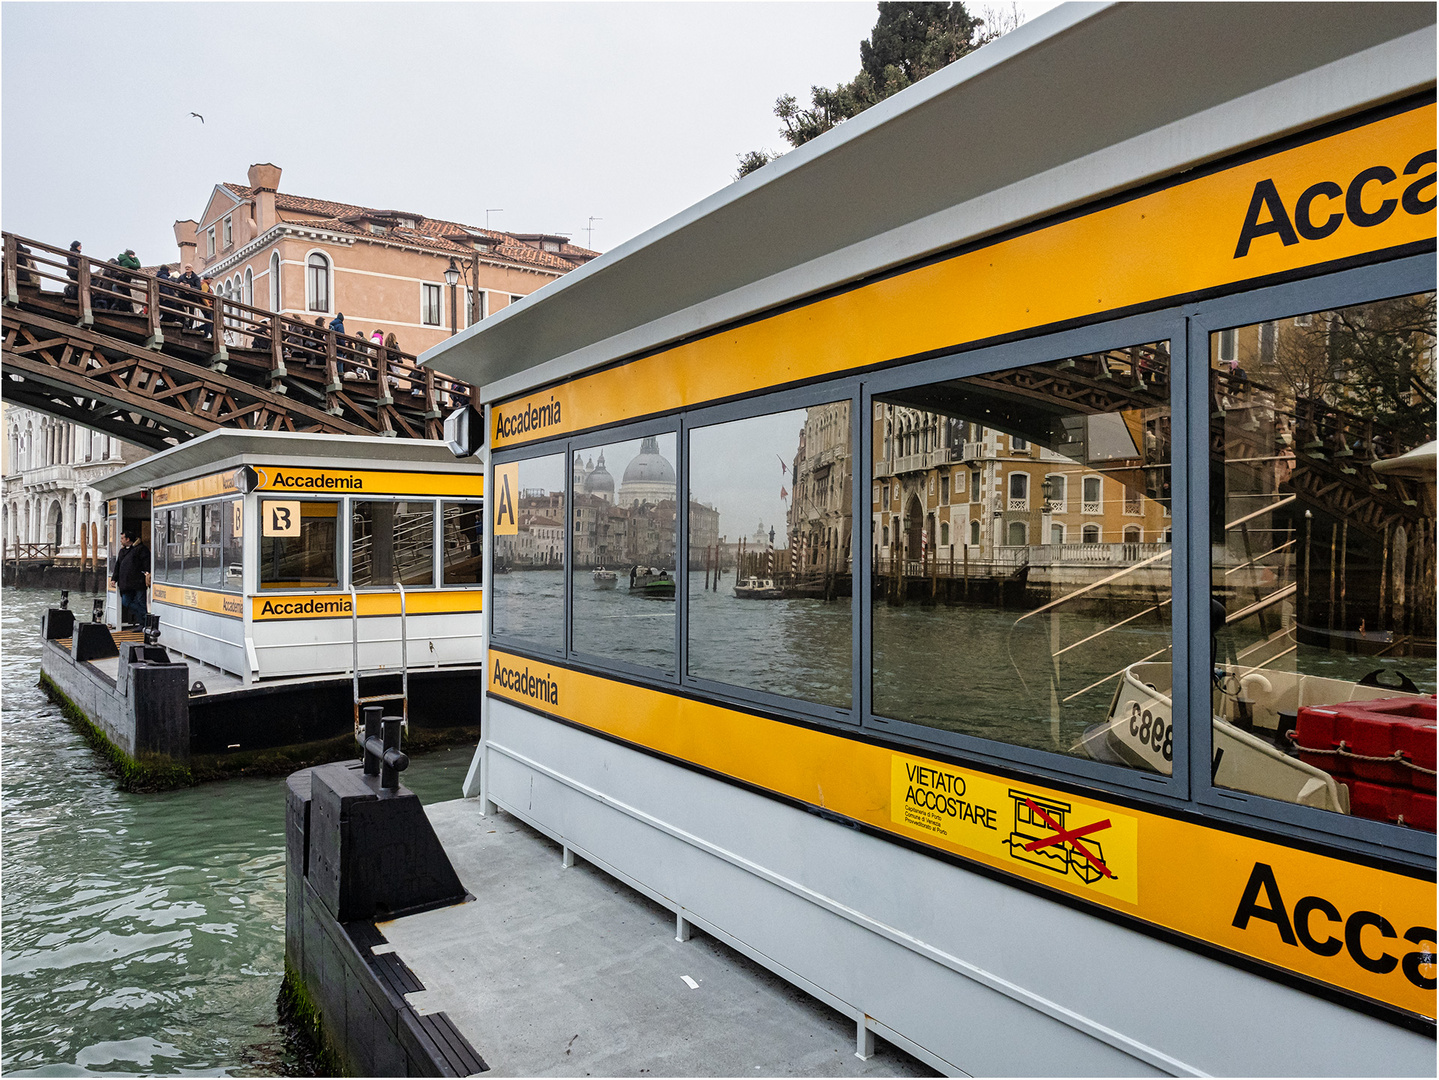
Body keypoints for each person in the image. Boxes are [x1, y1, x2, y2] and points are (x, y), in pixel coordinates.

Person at [111, 528, 151, 628]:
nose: (121, 540)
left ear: (128, 539)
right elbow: (118, 566)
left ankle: (143, 623)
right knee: (126, 602)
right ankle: (146, 618)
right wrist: (114, 579)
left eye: (122, 538)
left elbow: (146, 563)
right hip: (126, 583)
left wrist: (147, 573)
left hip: (138, 582)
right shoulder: (122, 551)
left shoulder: (141, 549)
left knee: (140, 602)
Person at [177, 264, 203, 331]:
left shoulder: (196, 278)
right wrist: (180, 285)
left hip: (192, 297)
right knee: (179, 307)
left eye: (188, 267)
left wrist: (190, 287)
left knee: (192, 312)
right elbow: (176, 283)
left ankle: (190, 326)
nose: (187, 268)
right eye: (186, 267)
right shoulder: (182, 277)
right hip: (183, 296)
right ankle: (183, 322)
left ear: (192, 269)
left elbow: (199, 288)